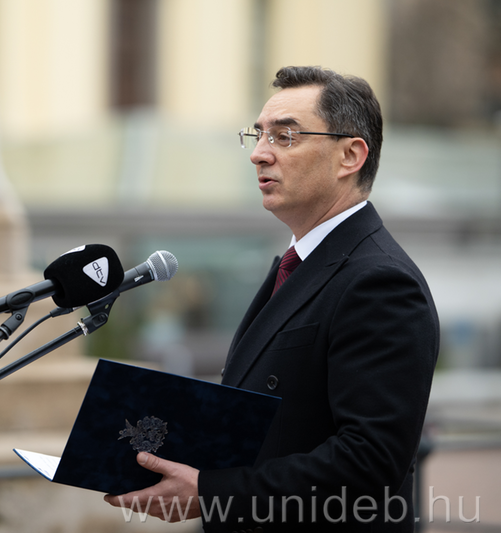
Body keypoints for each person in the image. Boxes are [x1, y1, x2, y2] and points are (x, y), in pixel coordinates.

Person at [105, 66, 439, 532]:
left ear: (350, 155)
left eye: (285, 137)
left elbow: (370, 460)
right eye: (258, 135)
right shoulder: (298, 264)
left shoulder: (379, 281)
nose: (259, 154)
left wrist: (212, 492)